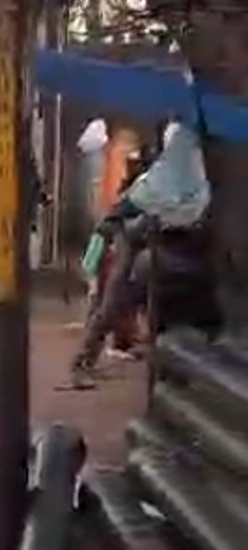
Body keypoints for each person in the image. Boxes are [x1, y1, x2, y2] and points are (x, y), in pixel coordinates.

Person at [68, 121, 211, 389]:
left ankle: (164, 368)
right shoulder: (157, 179)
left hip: (162, 248)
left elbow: (193, 214)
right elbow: (120, 211)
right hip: (133, 242)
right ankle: (82, 363)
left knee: (159, 305)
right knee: (113, 304)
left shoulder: (194, 179)